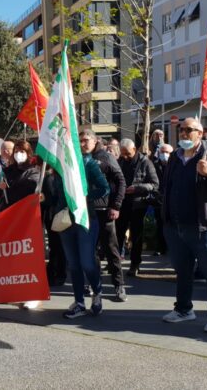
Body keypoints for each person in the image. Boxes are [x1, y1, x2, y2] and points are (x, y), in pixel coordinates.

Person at [161, 118, 207, 333]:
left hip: (202, 226)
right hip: (176, 225)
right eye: (181, 130)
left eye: (189, 130)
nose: (183, 133)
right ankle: (184, 309)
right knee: (183, 271)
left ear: (200, 133)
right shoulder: (176, 156)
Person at [47, 151, 110, 319]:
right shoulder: (58, 166)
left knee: (87, 263)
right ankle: (79, 303)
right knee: (73, 264)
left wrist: (85, 197)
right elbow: (56, 196)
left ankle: (97, 292)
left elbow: (105, 188)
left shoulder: (88, 164)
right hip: (65, 221)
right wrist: (45, 198)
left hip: (85, 219)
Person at [82, 129, 127, 302]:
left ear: (95, 141)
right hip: (86, 211)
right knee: (90, 251)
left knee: (111, 249)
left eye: (86, 140)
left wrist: (115, 206)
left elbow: (120, 180)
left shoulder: (105, 157)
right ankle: (93, 284)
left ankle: (119, 285)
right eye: (81, 140)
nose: (83, 143)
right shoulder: (81, 158)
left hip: (104, 211)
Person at [116, 138, 159, 276]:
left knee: (136, 236)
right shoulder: (120, 161)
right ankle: (116, 262)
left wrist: (137, 188)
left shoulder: (146, 162)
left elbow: (155, 184)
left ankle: (135, 263)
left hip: (138, 204)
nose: (125, 156)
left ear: (134, 149)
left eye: (127, 153)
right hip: (122, 203)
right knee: (118, 234)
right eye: (123, 153)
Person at [151, 143, 173, 256]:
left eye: (167, 152)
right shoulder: (154, 165)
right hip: (159, 199)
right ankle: (161, 247)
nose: (165, 155)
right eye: (162, 152)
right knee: (159, 224)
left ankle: (172, 247)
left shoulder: (175, 164)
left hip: (172, 199)